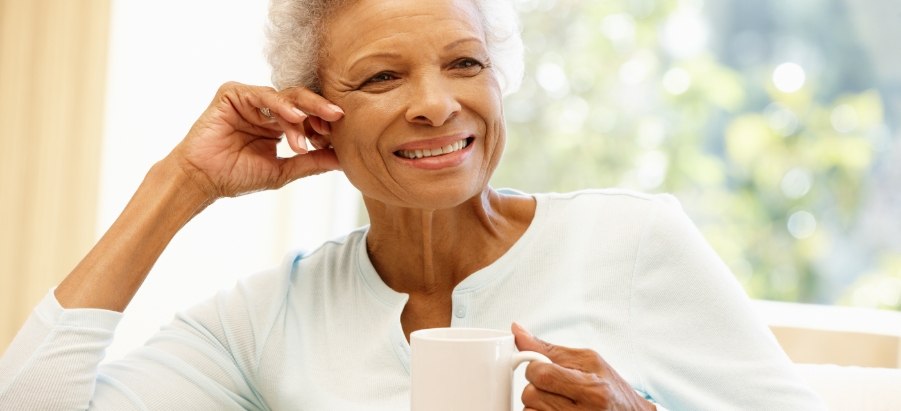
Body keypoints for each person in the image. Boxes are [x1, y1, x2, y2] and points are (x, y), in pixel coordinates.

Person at [0, 0, 826, 409]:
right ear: (314, 108)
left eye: (464, 63)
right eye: (383, 76)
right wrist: (180, 182)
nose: (436, 104)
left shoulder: (634, 238)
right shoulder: (269, 316)